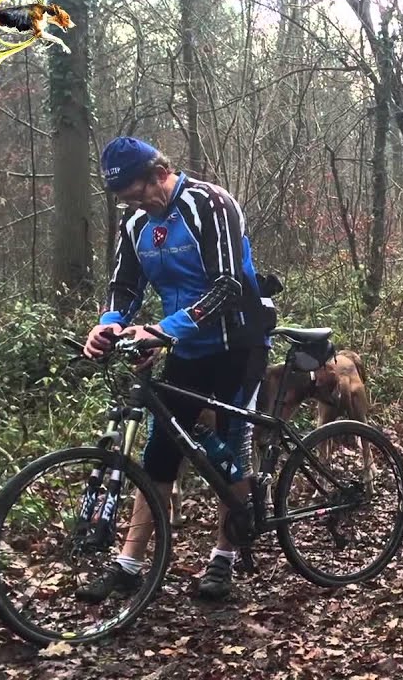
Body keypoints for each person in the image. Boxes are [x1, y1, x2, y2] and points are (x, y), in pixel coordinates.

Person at [76, 137, 276, 602]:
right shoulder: (135, 224)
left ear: (156, 172)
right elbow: (124, 288)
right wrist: (107, 326)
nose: (131, 201)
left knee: (231, 449)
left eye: (135, 190)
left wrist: (164, 330)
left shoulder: (210, 203)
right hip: (187, 347)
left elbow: (227, 285)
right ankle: (127, 565)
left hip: (239, 344)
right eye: (122, 196)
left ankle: (223, 559)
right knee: (160, 454)